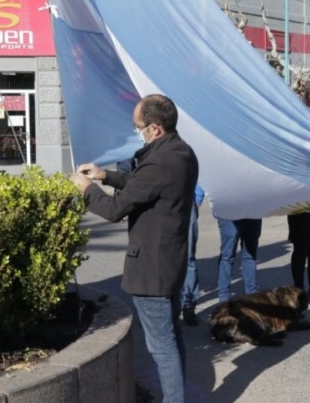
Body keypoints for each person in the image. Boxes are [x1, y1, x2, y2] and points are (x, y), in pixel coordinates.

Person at [71, 94, 198, 403]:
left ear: (154, 128)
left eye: (138, 127)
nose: (137, 132)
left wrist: (89, 190)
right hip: (170, 262)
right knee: (171, 338)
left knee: (162, 346)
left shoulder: (160, 161)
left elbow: (115, 209)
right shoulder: (181, 151)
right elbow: (144, 184)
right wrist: (105, 175)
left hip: (152, 269)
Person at [216, 218, 262, 303]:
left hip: (232, 215)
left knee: (228, 257)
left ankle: (224, 298)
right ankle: (252, 296)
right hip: (250, 215)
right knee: (248, 257)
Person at [181, 183, 205, 326]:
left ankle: (188, 304)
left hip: (186, 201)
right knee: (157, 257)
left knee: (188, 257)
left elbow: (201, 172)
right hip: (156, 202)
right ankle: (156, 307)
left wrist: (198, 196)